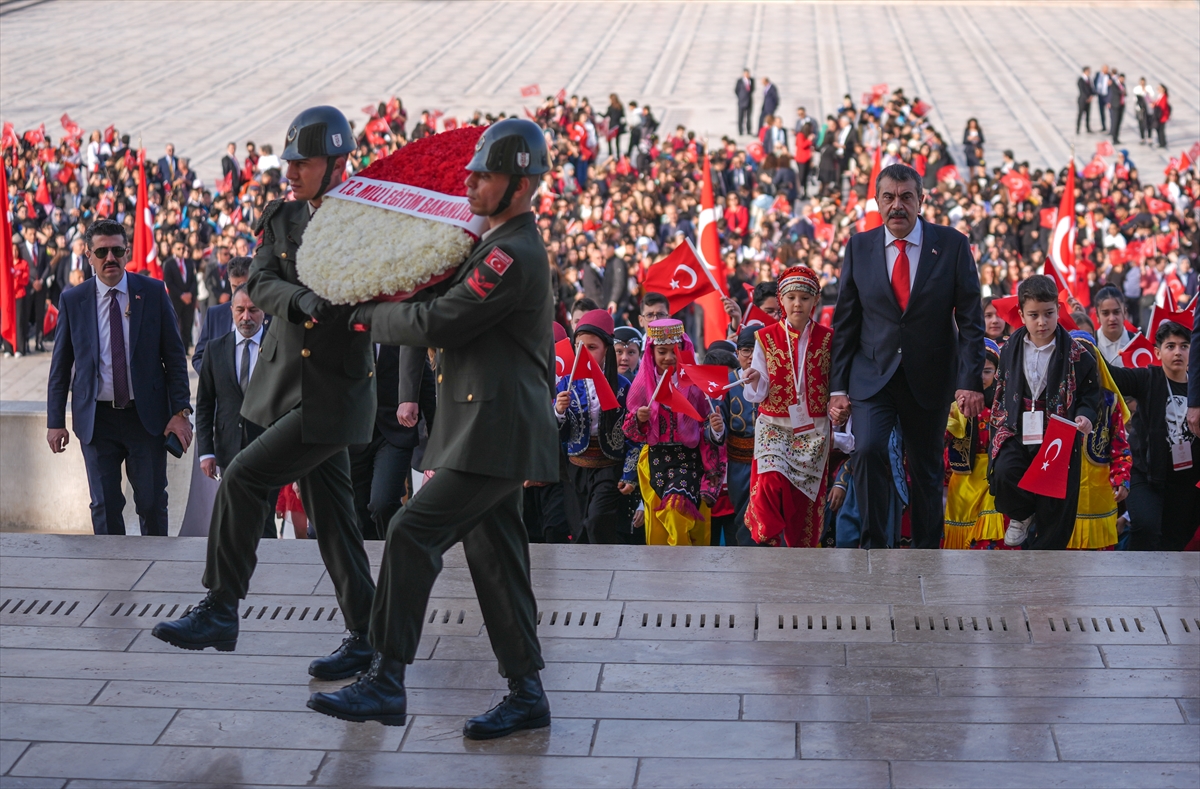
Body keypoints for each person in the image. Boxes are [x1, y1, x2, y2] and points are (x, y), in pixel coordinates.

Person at [309, 118, 559, 739]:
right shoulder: (489, 240)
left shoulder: (511, 253)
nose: (470, 182)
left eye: (486, 174)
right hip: (485, 425)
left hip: (495, 429)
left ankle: (387, 678)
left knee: (410, 531)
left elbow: (444, 320)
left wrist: (364, 316)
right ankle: (526, 693)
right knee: (496, 556)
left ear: (522, 186)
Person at [151, 107, 378, 688]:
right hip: (285, 388)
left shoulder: (367, 219)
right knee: (334, 522)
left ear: (338, 162)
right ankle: (369, 637)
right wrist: (300, 301)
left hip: (335, 393)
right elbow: (260, 281)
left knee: (248, 476)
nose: (292, 171)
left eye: (303, 162)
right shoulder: (283, 215)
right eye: (291, 161)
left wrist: (301, 292)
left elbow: (360, 288)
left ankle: (222, 607)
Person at [829, 163, 986, 549]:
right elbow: (846, 321)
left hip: (930, 376)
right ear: (878, 201)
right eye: (888, 197)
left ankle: (926, 553)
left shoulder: (952, 244)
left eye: (905, 197)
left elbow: (971, 319)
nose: (896, 206)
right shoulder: (859, 246)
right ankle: (874, 547)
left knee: (926, 469)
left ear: (921, 200)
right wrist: (837, 388)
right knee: (867, 450)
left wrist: (969, 381)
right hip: (872, 374)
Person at [46, 219, 193, 536]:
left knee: (152, 503)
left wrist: (181, 412)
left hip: (147, 419)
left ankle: (155, 575)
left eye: (117, 250)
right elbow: (60, 367)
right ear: (89, 255)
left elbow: (174, 357)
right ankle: (112, 576)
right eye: (102, 251)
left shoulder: (151, 292)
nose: (110, 258)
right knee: (104, 506)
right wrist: (55, 420)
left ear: (127, 252)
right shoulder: (74, 300)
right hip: (97, 421)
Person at [987, 275, 1102, 550]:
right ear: (1022, 314)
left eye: (1049, 313)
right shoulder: (1010, 348)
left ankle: (1047, 563)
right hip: (1017, 428)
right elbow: (1001, 388)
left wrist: (1085, 415)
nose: (1042, 322)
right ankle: (1022, 514)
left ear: (1058, 312)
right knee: (1004, 472)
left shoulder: (1078, 354)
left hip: (1057, 435)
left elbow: (1090, 394)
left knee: (1054, 502)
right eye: (1034, 315)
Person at [741, 266, 833, 547]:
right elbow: (757, 391)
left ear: (814, 301)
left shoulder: (829, 339)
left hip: (813, 429)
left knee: (803, 501)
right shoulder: (765, 337)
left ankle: (799, 553)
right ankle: (768, 538)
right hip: (774, 425)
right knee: (770, 481)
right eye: (791, 297)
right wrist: (755, 379)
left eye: (804, 298)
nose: (797, 304)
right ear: (781, 300)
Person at [623, 319, 726, 546]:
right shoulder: (643, 384)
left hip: (688, 460)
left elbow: (705, 426)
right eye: (662, 351)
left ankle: (682, 567)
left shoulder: (695, 383)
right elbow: (632, 433)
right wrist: (639, 419)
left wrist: (716, 429)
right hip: (655, 462)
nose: (669, 357)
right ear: (651, 353)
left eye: (675, 351)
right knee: (661, 526)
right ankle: (669, 571)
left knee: (675, 510)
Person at [194, 285, 278, 539]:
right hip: (228, 448)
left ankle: (265, 568)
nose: (246, 317)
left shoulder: (280, 348)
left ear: (264, 311)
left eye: (253, 310)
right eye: (240, 310)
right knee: (235, 515)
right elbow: (205, 404)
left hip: (269, 447)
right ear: (231, 311)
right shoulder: (215, 349)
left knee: (263, 516)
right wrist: (206, 452)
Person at [1109, 321, 1200, 550]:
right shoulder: (1148, 379)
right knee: (1146, 528)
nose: (1177, 352)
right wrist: (1083, 346)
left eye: (1184, 346)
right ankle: (1134, 580)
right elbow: (1113, 376)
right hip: (1145, 475)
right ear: (1158, 352)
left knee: (1175, 541)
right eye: (1170, 346)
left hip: (1185, 483)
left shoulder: (1197, 388)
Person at [554, 309, 638, 544]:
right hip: (576, 469)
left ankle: (604, 574)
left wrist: (629, 474)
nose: (585, 353)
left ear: (606, 350)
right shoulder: (566, 383)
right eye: (579, 347)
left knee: (597, 521)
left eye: (592, 347)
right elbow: (557, 431)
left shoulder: (623, 386)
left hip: (608, 467)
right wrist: (559, 410)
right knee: (579, 530)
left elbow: (632, 434)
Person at [349, 345, 435, 541]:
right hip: (354, 434)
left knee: (383, 503)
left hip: (395, 432)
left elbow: (426, 385)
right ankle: (371, 566)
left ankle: (398, 550)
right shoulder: (349, 324)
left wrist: (436, 448)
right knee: (359, 512)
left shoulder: (400, 327)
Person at [1067, 332, 1130, 551]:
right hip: (1063, 494)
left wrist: (1121, 479)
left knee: (1100, 566)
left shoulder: (1110, 402)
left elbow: (1120, 447)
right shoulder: (1054, 399)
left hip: (1099, 494)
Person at [944, 339, 1000, 548]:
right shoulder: (954, 403)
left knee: (990, 533)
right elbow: (942, 438)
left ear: (997, 372)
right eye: (974, 370)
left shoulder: (1004, 405)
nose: (980, 377)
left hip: (993, 476)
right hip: (964, 479)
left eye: (987, 371)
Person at [724, 327, 758, 545]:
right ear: (737, 353)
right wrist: (717, 427)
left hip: (768, 461)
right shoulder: (727, 383)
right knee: (742, 516)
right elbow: (718, 429)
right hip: (739, 465)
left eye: (759, 351)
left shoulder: (777, 382)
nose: (753, 357)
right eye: (746, 350)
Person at [193, 256, 255, 374]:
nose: (239, 292)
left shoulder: (269, 316)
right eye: (235, 287)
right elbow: (199, 357)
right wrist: (214, 380)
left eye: (244, 286)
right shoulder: (215, 315)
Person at [162, 239, 198, 352]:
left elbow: (193, 281)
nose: (182, 251)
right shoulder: (168, 263)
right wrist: (181, 295)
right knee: (175, 325)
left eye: (183, 248)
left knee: (187, 324)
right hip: (176, 299)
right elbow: (169, 282)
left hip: (189, 299)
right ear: (173, 249)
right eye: (179, 248)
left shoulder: (189, 262)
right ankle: (175, 349)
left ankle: (185, 348)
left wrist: (190, 294)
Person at [1093, 285, 1132, 367]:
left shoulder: (1136, 343)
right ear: (1097, 316)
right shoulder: (1090, 345)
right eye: (1105, 313)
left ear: (1124, 313)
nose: (1112, 318)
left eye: (1116, 312)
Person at [735, 69, 754, 136]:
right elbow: (736, 90)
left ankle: (748, 130)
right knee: (741, 117)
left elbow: (752, 90)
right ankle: (740, 131)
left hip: (749, 101)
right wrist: (740, 97)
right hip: (741, 101)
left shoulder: (751, 80)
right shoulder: (739, 81)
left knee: (748, 117)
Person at [1076, 67, 1094, 135]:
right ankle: (1078, 128)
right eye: (1088, 71)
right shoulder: (1080, 80)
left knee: (1088, 114)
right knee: (1080, 114)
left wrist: (1091, 96)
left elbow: (1091, 88)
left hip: (1089, 100)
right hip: (1082, 100)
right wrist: (1086, 97)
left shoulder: (1089, 79)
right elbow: (1081, 90)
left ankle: (1088, 128)